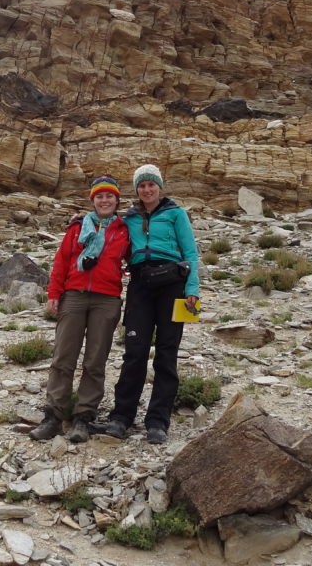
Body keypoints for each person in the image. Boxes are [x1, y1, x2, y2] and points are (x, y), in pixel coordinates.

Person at [30, 175, 130, 443]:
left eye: (110, 196)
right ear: (93, 200)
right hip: (73, 296)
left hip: (107, 299)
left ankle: (83, 417)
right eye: (99, 196)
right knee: (63, 357)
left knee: (95, 361)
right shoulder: (77, 228)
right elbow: (61, 261)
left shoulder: (124, 229)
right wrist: (54, 294)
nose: (105, 200)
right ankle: (53, 415)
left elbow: (135, 260)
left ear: (117, 200)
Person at [105, 164, 199, 445]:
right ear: (136, 190)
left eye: (151, 184)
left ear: (160, 186)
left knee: (167, 353)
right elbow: (105, 226)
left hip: (173, 284)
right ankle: (121, 417)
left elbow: (191, 252)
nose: (147, 190)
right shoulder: (129, 217)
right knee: (135, 351)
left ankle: (158, 421)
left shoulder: (176, 213)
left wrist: (193, 290)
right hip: (140, 285)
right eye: (142, 185)